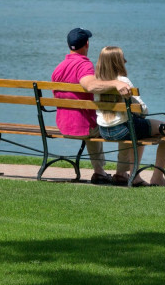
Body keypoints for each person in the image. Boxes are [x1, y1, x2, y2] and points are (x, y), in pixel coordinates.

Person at [51, 28, 131, 185]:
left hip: (63, 125)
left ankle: (100, 171)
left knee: (90, 120)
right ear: (87, 44)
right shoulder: (84, 65)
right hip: (83, 127)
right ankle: (120, 173)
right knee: (123, 127)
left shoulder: (59, 67)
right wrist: (115, 82)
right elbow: (90, 86)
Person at [94, 46, 165, 186]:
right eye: (122, 58)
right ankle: (155, 177)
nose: (125, 61)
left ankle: (129, 174)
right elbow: (143, 110)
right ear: (117, 62)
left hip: (104, 131)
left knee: (136, 128)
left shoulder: (97, 82)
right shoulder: (123, 81)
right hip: (123, 130)